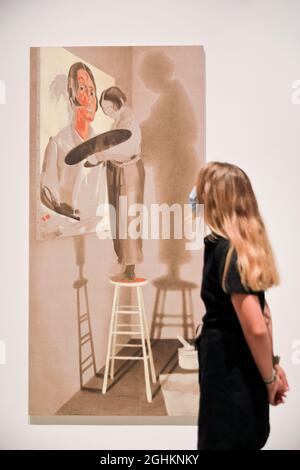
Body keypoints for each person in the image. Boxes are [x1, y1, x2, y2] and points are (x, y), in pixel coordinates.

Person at [193, 161, 289, 450]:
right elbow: (265, 315)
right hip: (238, 366)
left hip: (229, 369)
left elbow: (257, 327)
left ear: (214, 199)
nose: (195, 196)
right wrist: (271, 365)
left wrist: (270, 379)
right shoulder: (238, 248)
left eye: (200, 190)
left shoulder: (227, 251)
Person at [86, 86, 145, 281]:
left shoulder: (127, 119)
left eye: (109, 108)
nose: (106, 113)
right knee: (118, 216)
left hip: (127, 172)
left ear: (118, 104)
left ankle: (130, 267)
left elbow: (127, 149)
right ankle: (125, 264)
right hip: (119, 169)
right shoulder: (120, 119)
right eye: (104, 109)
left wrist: (100, 156)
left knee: (127, 217)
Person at [40, 61, 99, 219]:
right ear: (71, 97)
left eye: (92, 91)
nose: (89, 98)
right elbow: (46, 195)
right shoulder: (57, 145)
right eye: (82, 88)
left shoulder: (102, 145)